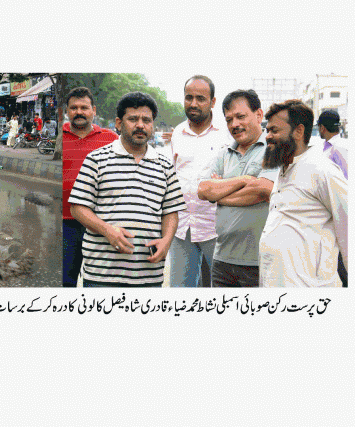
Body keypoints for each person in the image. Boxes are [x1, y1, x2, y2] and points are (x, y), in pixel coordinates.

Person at [69, 92, 186, 287]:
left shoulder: (165, 165)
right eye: (133, 119)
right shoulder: (96, 159)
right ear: (118, 123)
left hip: (149, 275)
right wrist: (108, 231)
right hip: (102, 275)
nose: (140, 125)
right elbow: (78, 208)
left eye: (146, 120)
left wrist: (166, 240)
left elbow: (171, 212)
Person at [259, 100, 347, 287]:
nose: (267, 136)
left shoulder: (323, 170)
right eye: (267, 130)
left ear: (298, 131)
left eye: (274, 130)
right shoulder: (282, 169)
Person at [197, 90, 277, 287]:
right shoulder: (224, 154)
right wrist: (245, 180)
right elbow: (203, 189)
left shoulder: (274, 149)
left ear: (259, 115)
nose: (234, 124)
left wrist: (220, 192)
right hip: (222, 259)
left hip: (259, 262)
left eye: (241, 116)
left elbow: (263, 190)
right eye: (229, 119)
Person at [168, 75, 232, 287]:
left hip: (216, 227)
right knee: (180, 290)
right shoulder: (178, 132)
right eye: (188, 97)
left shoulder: (227, 134)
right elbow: (172, 174)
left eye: (200, 98)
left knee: (220, 288)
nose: (193, 103)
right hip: (182, 226)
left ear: (213, 102)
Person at [62, 87, 119, 287]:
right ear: (67, 111)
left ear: (93, 110)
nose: (79, 112)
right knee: (65, 281)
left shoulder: (111, 139)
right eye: (74, 108)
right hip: (65, 224)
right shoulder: (58, 138)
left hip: (101, 223)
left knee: (98, 283)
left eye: (84, 108)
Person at [315, 110, 348, 286]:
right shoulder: (330, 147)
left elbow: (347, 180)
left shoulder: (339, 148)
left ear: (321, 127)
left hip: (341, 209)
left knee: (343, 262)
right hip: (334, 211)